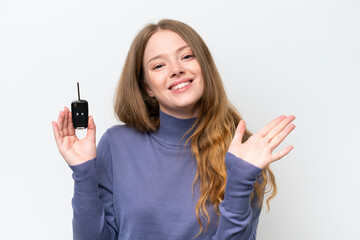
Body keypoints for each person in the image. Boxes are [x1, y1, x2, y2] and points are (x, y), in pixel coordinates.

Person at [52, 19, 295, 240]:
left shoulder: (243, 153)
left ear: (205, 67)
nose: (176, 69)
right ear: (147, 87)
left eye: (187, 57)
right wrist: (83, 173)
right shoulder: (116, 145)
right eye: (158, 65)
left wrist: (241, 179)